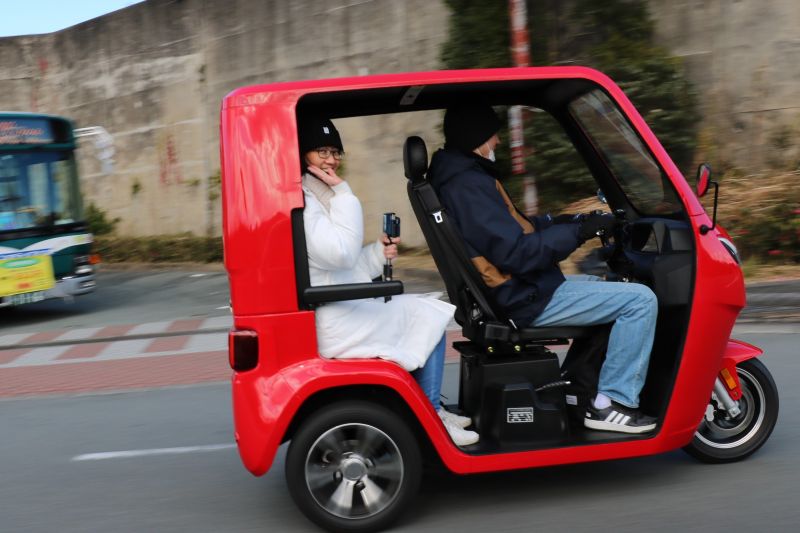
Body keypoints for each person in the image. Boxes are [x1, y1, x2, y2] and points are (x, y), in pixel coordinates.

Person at [427, 104, 658, 434]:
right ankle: (613, 403)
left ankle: (578, 390)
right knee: (640, 301)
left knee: (608, 286)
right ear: (476, 138)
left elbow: (517, 230)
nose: (498, 142)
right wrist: (578, 234)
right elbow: (517, 254)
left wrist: (571, 222)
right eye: (493, 135)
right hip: (522, 296)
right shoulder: (468, 185)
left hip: (517, 289)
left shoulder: (461, 178)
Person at [298, 116, 479, 446]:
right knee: (429, 315)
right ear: (304, 155)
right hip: (336, 318)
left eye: (335, 152)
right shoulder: (309, 202)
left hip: (342, 306)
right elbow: (339, 255)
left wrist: (377, 254)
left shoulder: (318, 196)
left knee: (428, 309)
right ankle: (431, 415)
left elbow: (341, 265)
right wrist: (345, 194)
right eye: (321, 151)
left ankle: (432, 407)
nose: (330, 159)